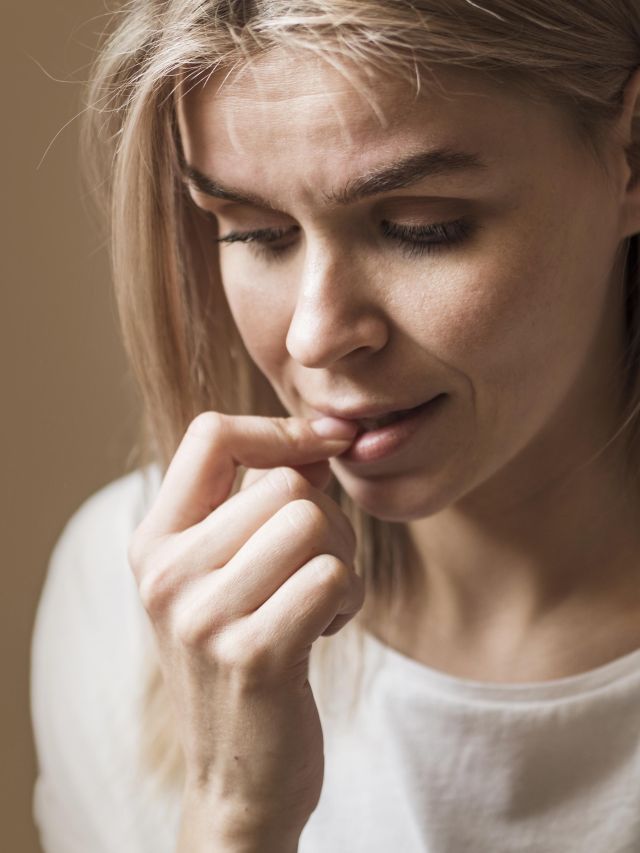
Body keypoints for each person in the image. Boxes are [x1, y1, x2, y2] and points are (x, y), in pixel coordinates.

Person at [30, 1, 640, 850]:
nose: (314, 335)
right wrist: (235, 814)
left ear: (631, 156)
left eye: (421, 227)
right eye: (258, 234)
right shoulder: (131, 587)